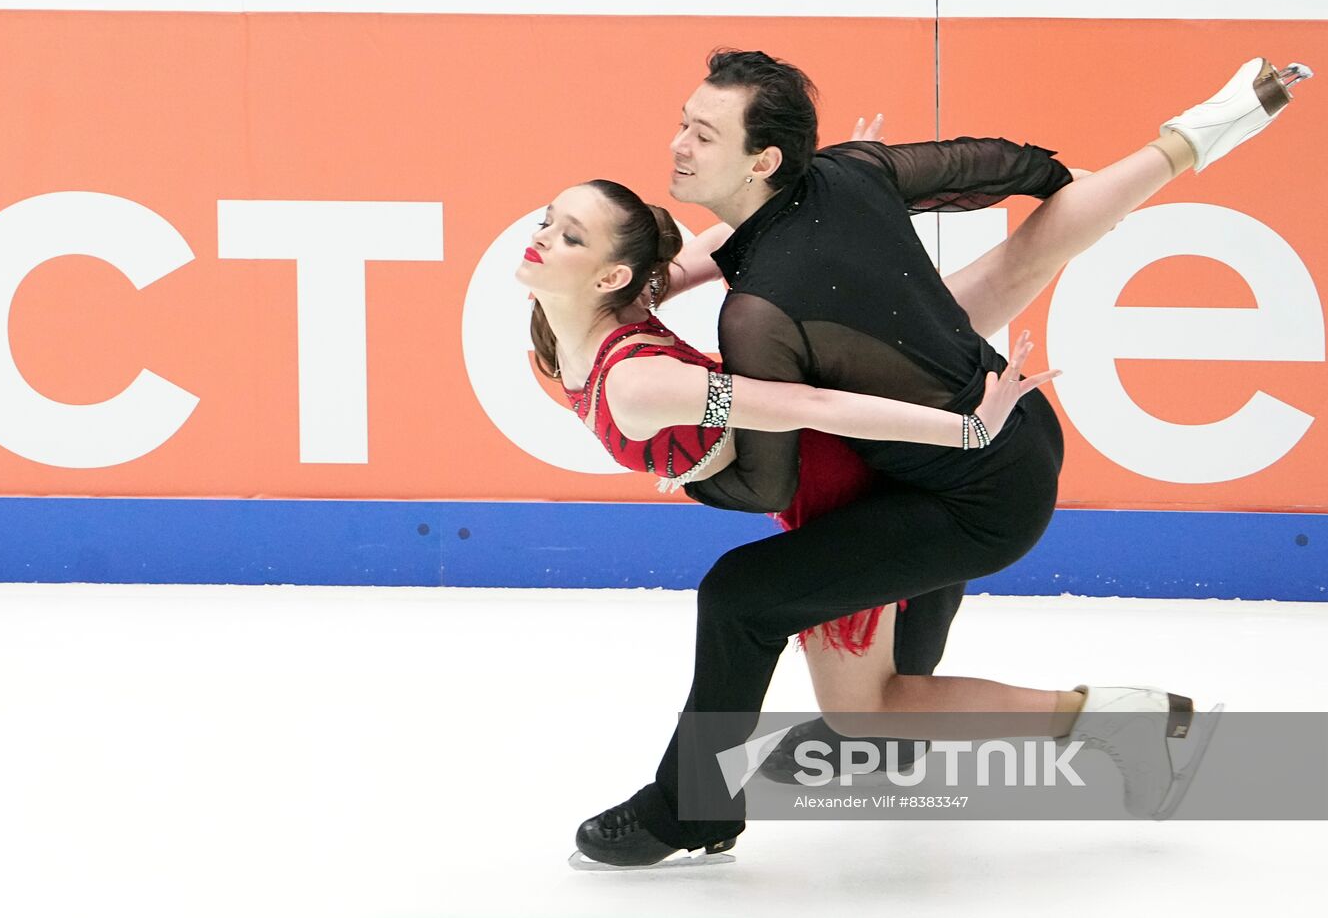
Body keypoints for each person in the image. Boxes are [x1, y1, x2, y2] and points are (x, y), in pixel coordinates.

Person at [569, 52, 1311, 869]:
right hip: (1006, 422)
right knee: (987, 280)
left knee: (745, 598)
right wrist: (1071, 172)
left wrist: (685, 468)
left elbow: (769, 480)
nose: (677, 144)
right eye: (684, 122)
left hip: (974, 495)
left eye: (701, 134)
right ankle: (1199, 132)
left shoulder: (759, 314)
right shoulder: (850, 173)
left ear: (764, 161)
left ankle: (691, 810)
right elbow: (993, 165)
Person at [517, 180, 1053, 493]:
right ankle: (1076, 209)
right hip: (765, 444)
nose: (540, 237)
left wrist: (968, 430)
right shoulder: (579, 314)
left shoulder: (638, 382)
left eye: (568, 235)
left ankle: (1078, 196)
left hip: (793, 470)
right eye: (547, 221)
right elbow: (724, 237)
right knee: (954, 307)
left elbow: (808, 406)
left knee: (969, 298)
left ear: (611, 277)